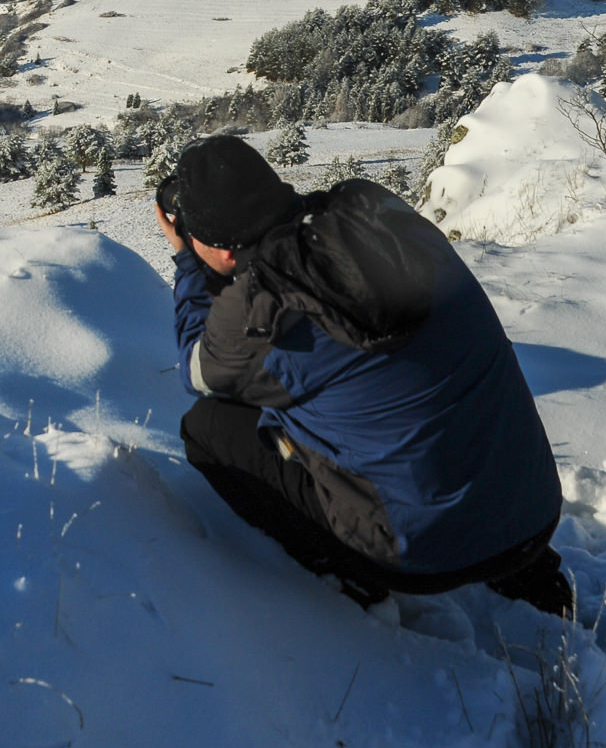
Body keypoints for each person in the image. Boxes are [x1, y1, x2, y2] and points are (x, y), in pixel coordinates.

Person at [156, 134, 571, 615]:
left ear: (225, 253)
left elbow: (197, 367)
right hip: (534, 510)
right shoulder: (381, 213)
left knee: (208, 427)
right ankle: (533, 578)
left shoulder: (261, 308)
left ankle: (349, 582)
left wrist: (189, 261)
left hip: (420, 558)